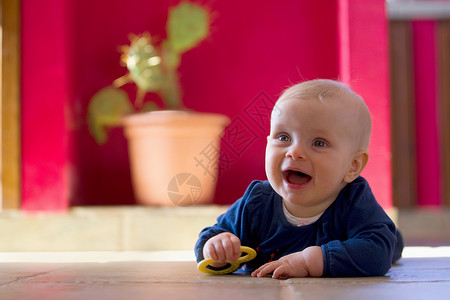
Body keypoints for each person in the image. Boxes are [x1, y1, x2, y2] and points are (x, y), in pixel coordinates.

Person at [195, 79, 403, 279]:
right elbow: (209, 237)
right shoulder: (257, 202)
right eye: (283, 137)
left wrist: (308, 261)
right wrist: (216, 248)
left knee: (391, 240)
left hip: (363, 234)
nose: (294, 152)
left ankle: (394, 234)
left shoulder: (354, 200)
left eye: (319, 143)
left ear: (353, 165)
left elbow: (378, 251)